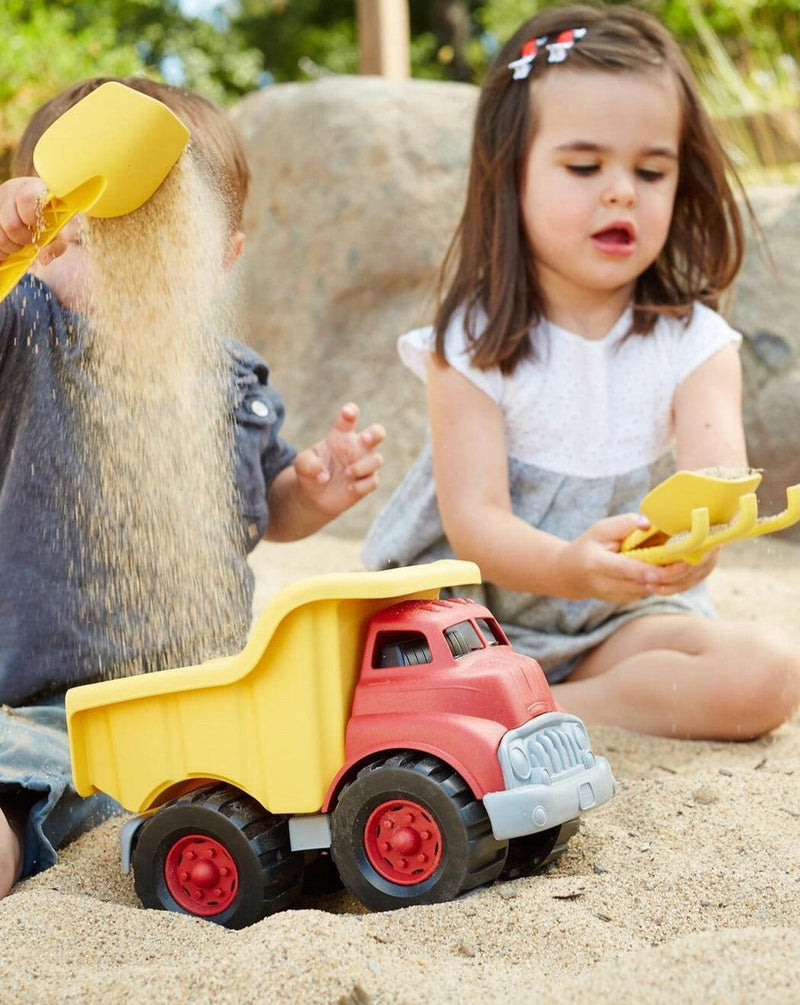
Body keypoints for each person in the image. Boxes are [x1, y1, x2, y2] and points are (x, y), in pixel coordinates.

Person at [363, 4, 800, 743]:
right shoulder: (468, 344)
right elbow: (476, 522)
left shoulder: (694, 342)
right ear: (511, 176)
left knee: (764, 674)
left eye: (651, 170)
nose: (622, 190)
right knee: (370, 674)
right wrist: (570, 564)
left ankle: (546, 713)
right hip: (475, 625)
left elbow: (717, 473)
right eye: (585, 166)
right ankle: (499, 698)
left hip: (619, 624)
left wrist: (700, 543)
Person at [0, 77, 385, 898]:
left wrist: (308, 492)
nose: (112, 270)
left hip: (214, 702)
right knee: (11, 803)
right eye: (75, 243)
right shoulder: (29, 335)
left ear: (219, 256)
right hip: (58, 712)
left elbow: (259, 510)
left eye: (147, 243)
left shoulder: (233, 379)